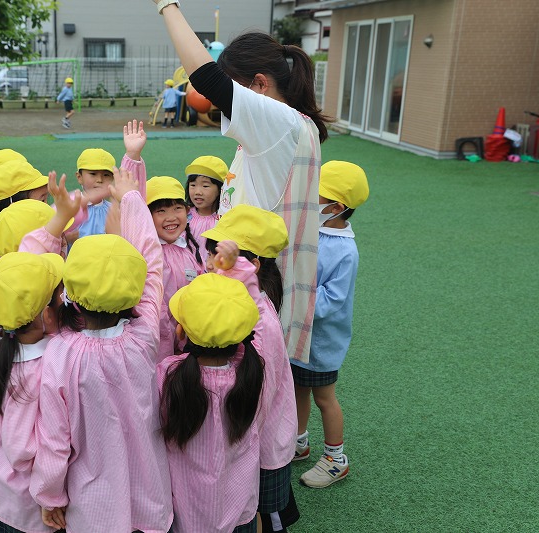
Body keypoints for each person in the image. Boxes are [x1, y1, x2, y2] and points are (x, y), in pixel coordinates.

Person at [152, 0, 331, 367]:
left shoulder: (277, 121)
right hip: (260, 284)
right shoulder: (295, 125)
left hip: (253, 287)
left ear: (260, 86)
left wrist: (166, 6)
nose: (223, 103)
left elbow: (204, 78)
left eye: (237, 93)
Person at [29, 167, 174, 533]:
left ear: (70, 292)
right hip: (151, 492)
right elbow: (151, 258)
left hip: (91, 505)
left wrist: (49, 498)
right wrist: (130, 200)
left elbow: (54, 442)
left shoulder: (58, 351)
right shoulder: (145, 334)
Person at [202, 206, 300, 533]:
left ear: (251, 265)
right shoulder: (251, 303)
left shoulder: (259, 321)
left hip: (258, 441)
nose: (213, 263)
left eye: (221, 257)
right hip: (256, 438)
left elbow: (257, 394)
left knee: (257, 513)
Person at [158, 271, 265, 533]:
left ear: (181, 330)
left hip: (185, 509)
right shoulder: (252, 370)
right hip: (239, 505)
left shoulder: (169, 374)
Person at [292, 161, 369, 489]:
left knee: (325, 398)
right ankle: (296, 441)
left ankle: (336, 459)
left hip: (320, 341)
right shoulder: (313, 229)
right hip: (298, 335)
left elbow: (332, 300)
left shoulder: (344, 251)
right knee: (297, 390)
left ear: (335, 207)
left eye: (314, 196)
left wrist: (292, 301)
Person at [0, 252, 65, 533]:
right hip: (26, 507)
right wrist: (49, 497)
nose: (65, 301)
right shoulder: (41, 368)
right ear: (47, 314)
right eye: (60, 296)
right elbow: (21, 450)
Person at [146, 175, 204, 357]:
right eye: (161, 211)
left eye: (177, 208)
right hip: (159, 340)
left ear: (187, 210)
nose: (170, 218)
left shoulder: (189, 246)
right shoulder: (149, 253)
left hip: (189, 336)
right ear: (147, 216)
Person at [69, 120, 148, 243]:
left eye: (106, 175)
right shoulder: (70, 208)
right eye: (93, 174)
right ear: (79, 177)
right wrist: (64, 239)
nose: (99, 180)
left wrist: (133, 155)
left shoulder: (114, 210)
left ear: (112, 178)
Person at [0, 160, 49, 247]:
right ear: (14, 205)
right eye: (42, 200)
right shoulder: (12, 242)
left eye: (46, 199)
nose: (47, 206)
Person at [185, 155, 229, 262]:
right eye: (193, 185)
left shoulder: (225, 219)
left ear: (221, 189)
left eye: (205, 186)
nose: (197, 192)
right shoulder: (184, 215)